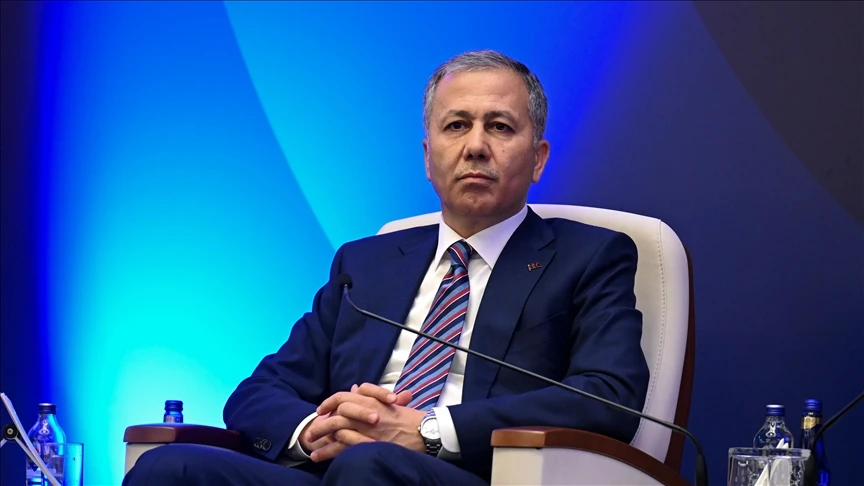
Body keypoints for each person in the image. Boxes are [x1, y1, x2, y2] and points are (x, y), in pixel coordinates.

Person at [123, 49, 649, 486]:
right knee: (169, 467)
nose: (475, 146)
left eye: (499, 127)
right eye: (456, 126)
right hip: (337, 468)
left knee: (369, 465)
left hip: (469, 473)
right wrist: (315, 430)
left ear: (538, 158)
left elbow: (610, 397)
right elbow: (258, 392)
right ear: (428, 156)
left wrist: (428, 430)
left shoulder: (590, 256)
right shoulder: (366, 263)